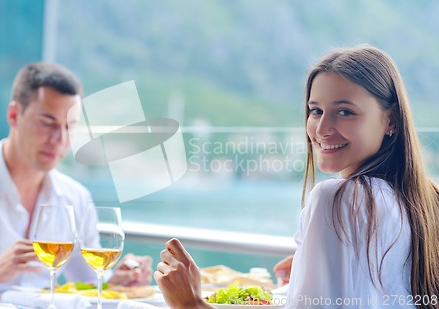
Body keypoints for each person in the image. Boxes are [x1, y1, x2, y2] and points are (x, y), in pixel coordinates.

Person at [154, 45, 439, 309]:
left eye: (344, 112)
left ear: (391, 119)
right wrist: (316, 263)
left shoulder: (337, 199)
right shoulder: (424, 202)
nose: (322, 128)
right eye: (315, 111)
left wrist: (190, 303)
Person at [0, 62, 152, 299]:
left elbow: (88, 281)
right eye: (47, 123)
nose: (59, 139)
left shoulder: (75, 196)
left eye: (69, 126)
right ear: (13, 115)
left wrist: (117, 277)